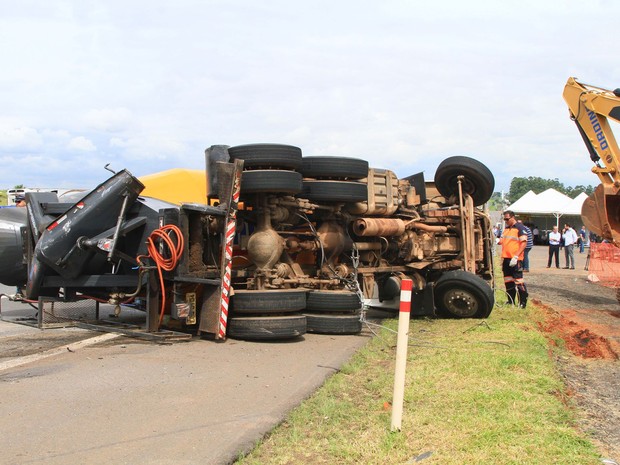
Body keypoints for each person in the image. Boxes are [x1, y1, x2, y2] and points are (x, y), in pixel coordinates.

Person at [498, 210, 528, 308]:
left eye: (507, 219)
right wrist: (498, 241)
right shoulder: (506, 228)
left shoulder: (520, 228)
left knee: (518, 281)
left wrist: (516, 256)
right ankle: (510, 301)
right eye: (504, 219)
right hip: (506, 258)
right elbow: (503, 241)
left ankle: (522, 302)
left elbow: (523, 243)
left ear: (512, 217)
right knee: (508, 281)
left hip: (515, 259)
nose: (506, 221)